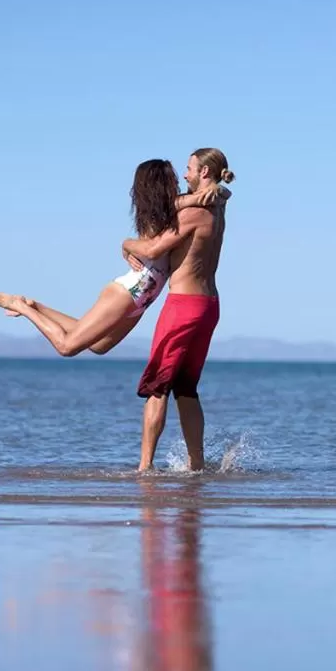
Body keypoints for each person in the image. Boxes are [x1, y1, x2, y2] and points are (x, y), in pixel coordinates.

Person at [0, 158, 227, 357]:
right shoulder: (164, 211)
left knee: (99, 346)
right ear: (160, 184)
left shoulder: (170, 209)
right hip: (130, 291)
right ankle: (20, 307)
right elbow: (164, 230)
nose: (180, 181)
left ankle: (35, 306)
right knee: (67, 347)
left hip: (144, 297)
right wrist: (126, 244)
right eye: (172, 180)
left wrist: (217, 189)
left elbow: (216, 195)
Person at [120, 149, 233, 472]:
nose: (184, 175)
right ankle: (196, 466)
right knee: (186, 387)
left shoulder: (194, 212)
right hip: (209, 306)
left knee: (158, 386)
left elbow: (154, 248)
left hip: (183, 306)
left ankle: (144, 468)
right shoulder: (218, 204)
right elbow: (223, 191)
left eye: (189, 169)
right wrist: (219, 189)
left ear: (205, 173)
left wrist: (126, 243)